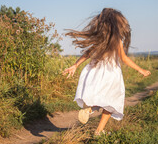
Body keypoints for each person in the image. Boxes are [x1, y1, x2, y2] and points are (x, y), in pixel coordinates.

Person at [63, 8, 151, 136]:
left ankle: (90, 109)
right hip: (111, 73)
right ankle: (99, 131)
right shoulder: (117, 40)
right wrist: (140, 70)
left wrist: (75, 65)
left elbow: (87, 53)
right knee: (112, 101)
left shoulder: (100, 39)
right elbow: (124, 58)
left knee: (103, 98)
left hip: (95, 70)